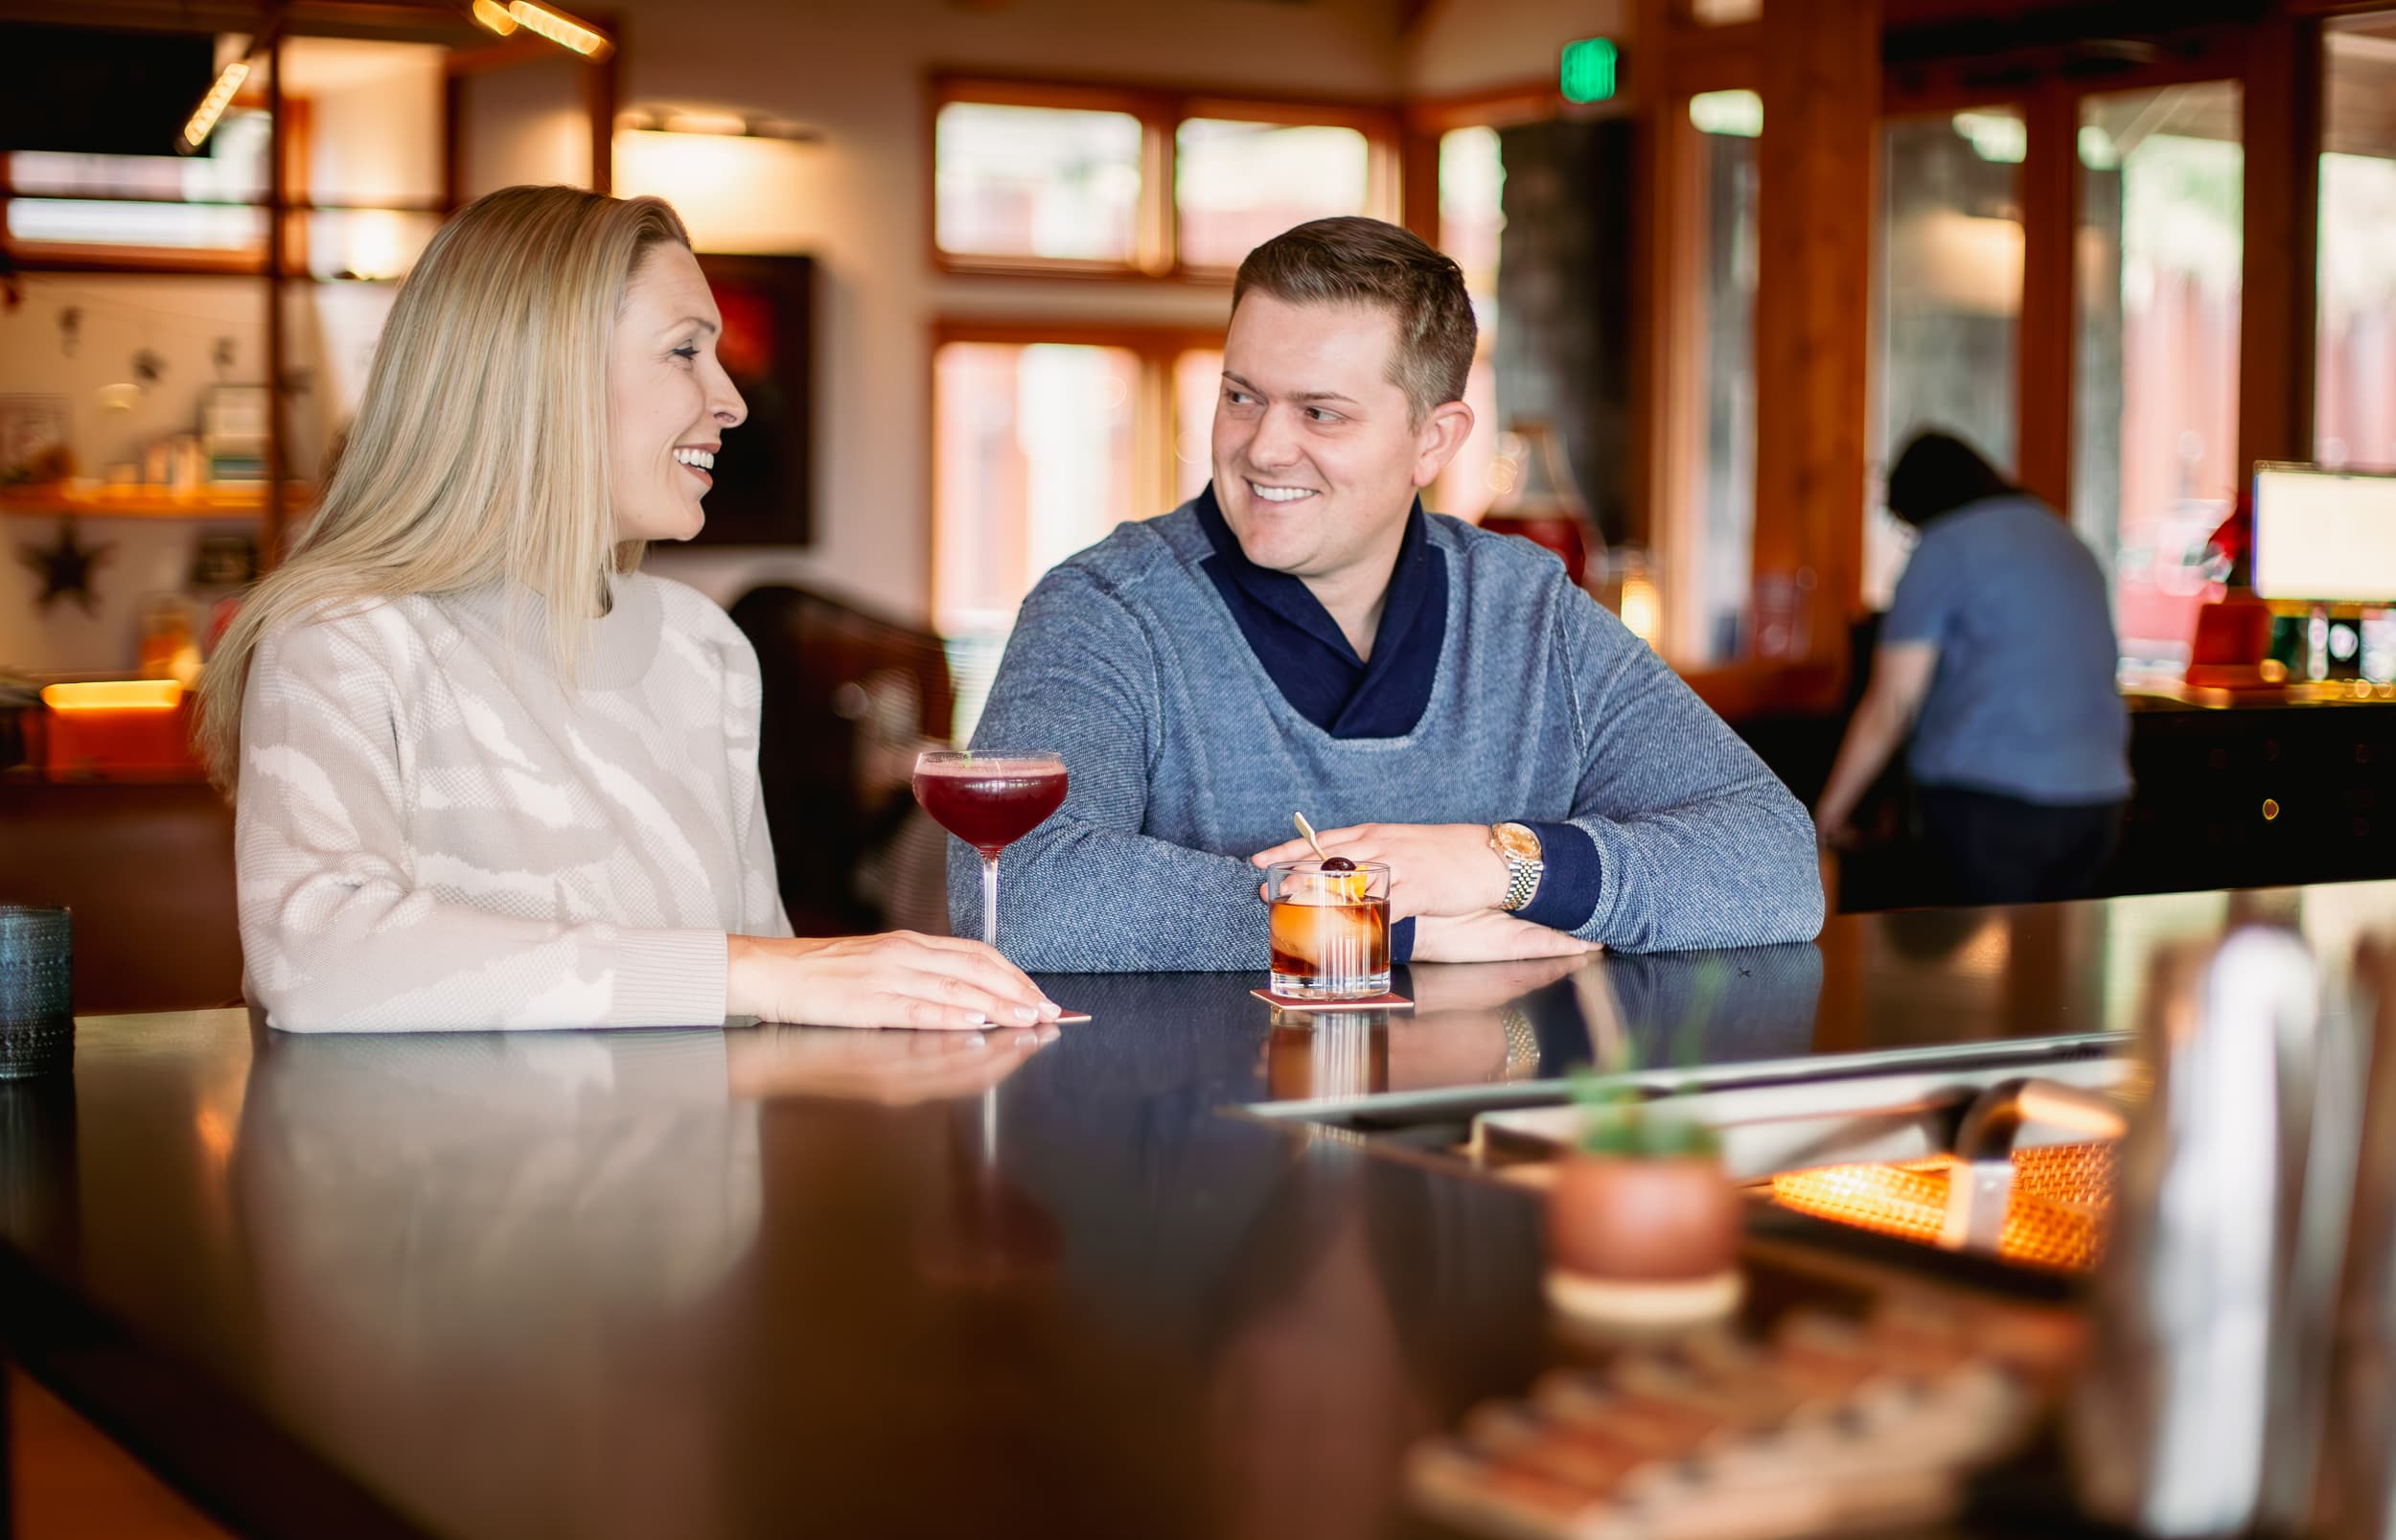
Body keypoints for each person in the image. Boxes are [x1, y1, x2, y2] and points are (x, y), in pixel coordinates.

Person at [199, 185, 1055, 1033]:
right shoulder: (342, 638)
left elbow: (756, 1004)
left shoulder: (704, 648)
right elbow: (314, 959)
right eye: (685, 351)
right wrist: (758, 969)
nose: (732, 401)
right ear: (542, 373)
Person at [953, 217, 1823, 971]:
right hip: (1206, 1147)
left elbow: (1775, 865)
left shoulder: (1529, 610)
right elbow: (1020, 893)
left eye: (1320, 413)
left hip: (1488, 1139)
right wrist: (1376, 923)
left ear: (1433, 442)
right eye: (1241, 396)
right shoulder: (1105, 608)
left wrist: (1498, 865)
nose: (1264, 448)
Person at [1814, 430, 2131, 907]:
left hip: (1990, 807)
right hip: (2098, 803)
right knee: (2056, 974)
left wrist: (1826, 818)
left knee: (1969, 979)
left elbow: (1893, 705)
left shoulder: (1945, 546)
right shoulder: (2067, 539)